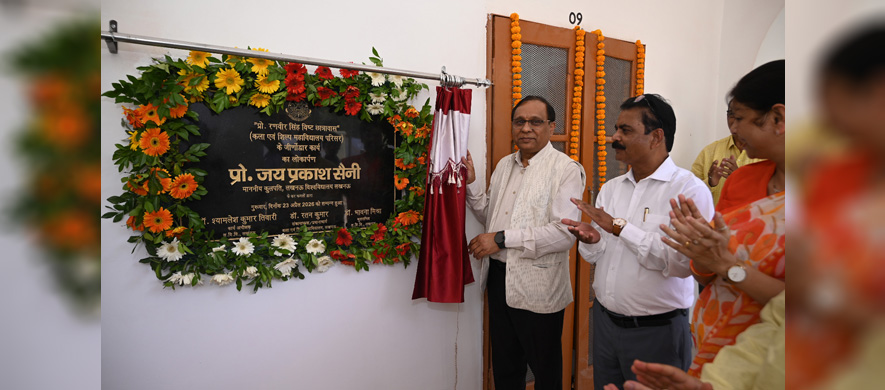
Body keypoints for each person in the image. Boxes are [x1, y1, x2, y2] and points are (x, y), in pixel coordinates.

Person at [561, 93, 714, 390]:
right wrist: (592, 240)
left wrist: (620, 228)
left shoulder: (689, 192)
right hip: (605, 326)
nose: (614, 137)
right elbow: (597, 256)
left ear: (657, 137)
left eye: (625, 131)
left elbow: (682, 265)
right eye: (617, 128)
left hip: (657, 332)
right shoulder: (612, 188)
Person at [658, 60, 785, 377]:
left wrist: (728, 266)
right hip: (712, 350)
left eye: (740, 118)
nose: (734, 129)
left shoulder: (841, 196)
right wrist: (700, 251)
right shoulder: (743, 181)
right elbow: (706, 275)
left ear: (778, 118)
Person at [463, 95, 585, 390]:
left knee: (545, 373)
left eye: (535, 122)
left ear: (552, 127)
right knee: (506, 368)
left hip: (539, 288)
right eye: (520, 122)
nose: (526, 128)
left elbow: (563, 234)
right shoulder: (506, 164)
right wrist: (471, 183)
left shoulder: (566, 169)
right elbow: (490, 215)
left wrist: (502, 240)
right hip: (499, 280)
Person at [602, 291, 785, 390]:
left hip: (660, 324)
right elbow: (768, 332)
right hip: (607, 319)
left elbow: (678, 265)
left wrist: (622, 230)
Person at [690, 107, 762, 205]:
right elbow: (690, 194)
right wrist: (710, 183)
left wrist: (740, 180)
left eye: (741, 115)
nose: (734, 121)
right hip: (713, 220)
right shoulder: (709, 151)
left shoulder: (766, 154)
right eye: (731, 114)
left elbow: (773, 201)